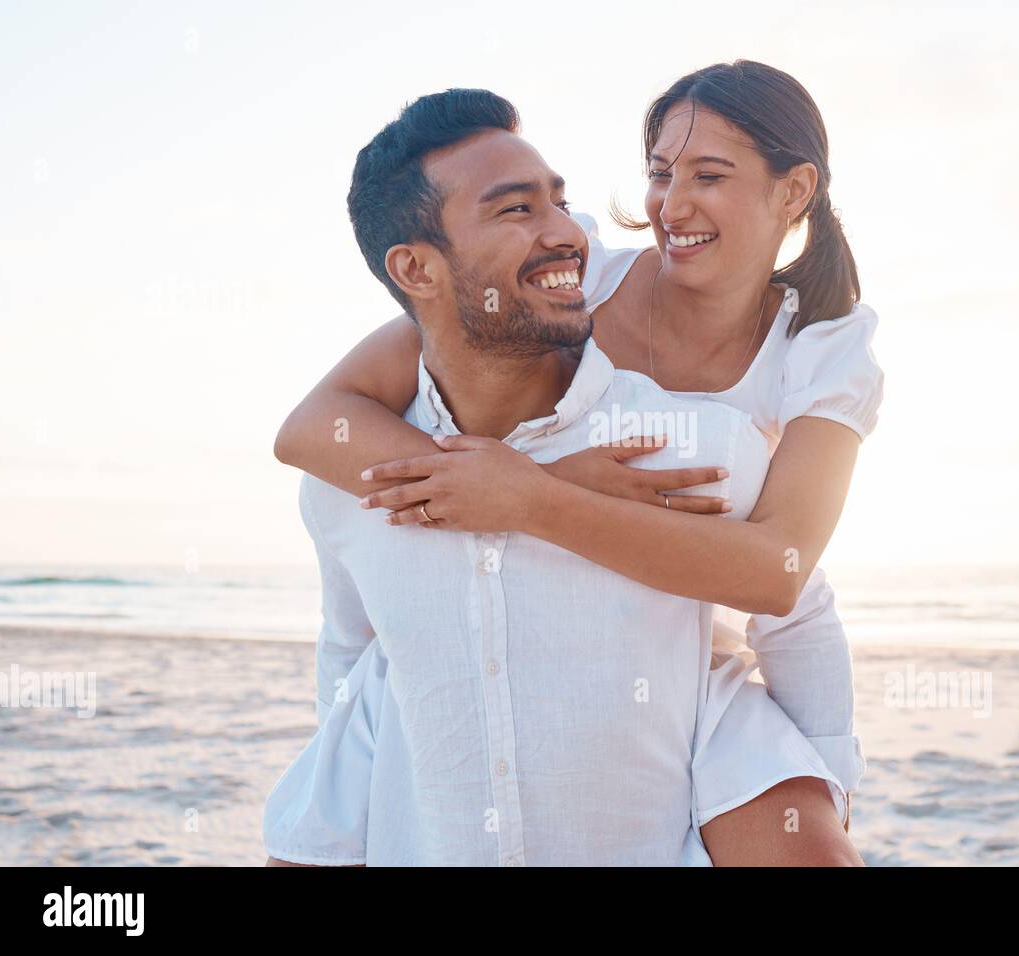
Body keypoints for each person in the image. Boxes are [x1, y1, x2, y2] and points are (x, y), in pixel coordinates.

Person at [263, 87, 861, 866]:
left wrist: (824, 790)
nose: (562, 231)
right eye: (515, 209)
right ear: (416, 268)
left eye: (559, 201)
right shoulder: (356, 473)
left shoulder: (728, 425)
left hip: (688, 702)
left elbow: (788, 593)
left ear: (794, 191)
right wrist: (530, 482)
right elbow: (353, 650)